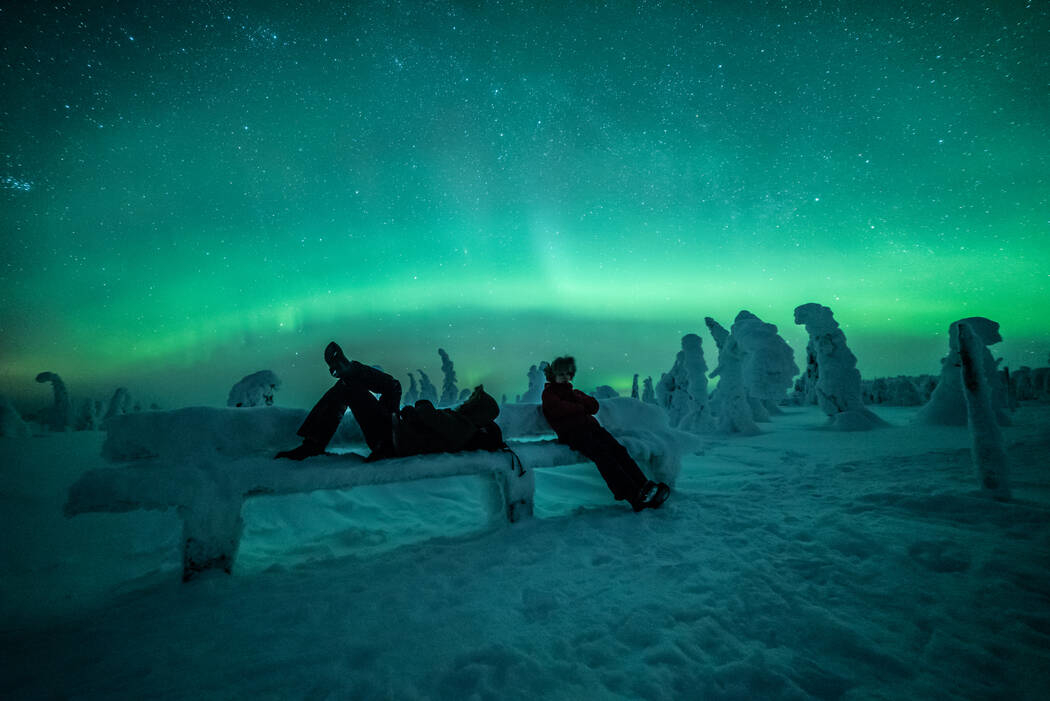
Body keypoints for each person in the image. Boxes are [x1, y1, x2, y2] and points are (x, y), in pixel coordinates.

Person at [276, 341, 503, 461]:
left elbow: (426, 414)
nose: (468, 400)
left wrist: (421, 408)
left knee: (349, 389)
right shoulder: (464, 426)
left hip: (392, 441)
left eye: (473, 399)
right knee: (392, 385)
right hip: (396, 431)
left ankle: (313, 444)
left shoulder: (463, 426)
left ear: (477, 410)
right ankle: (349, 368)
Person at [541, 356, 670, 511]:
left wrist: (579, 402)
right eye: (560, 374)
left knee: (619, 451)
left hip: (593, 429)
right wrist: (580, 406)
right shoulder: (549, 394)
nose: (564, 377)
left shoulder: (575, 393)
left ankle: (644, 486)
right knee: (604, 457)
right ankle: (633, 495)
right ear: (553, 375)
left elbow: (594, 406)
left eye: (567, 374)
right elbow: (557, 410)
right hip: (574, 434)